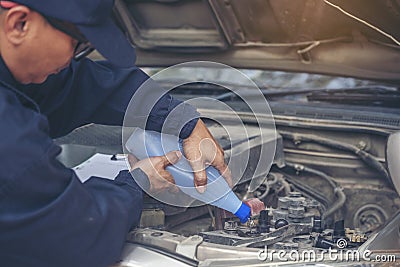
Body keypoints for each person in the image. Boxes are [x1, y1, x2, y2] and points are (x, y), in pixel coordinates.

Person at [0, 0, 232, 266]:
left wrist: (184, 121)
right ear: (19, 24)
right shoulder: (8, 133)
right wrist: (137, 183)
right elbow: (75, 238)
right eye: (80, 45)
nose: (74, 59)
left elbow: (77, 85)